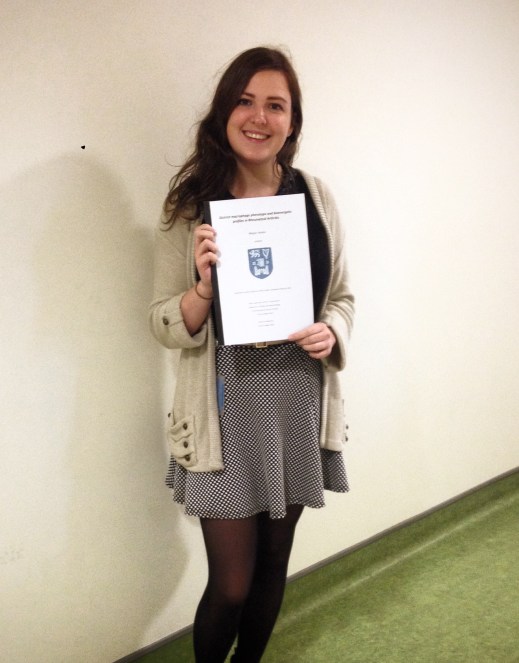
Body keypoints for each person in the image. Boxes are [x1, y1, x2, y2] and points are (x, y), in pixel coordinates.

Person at [149, 46, 354, 663]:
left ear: (292, 121)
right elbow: (162, 322)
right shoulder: (190, 207)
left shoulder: (315, 198)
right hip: (224, 412)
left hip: (295, 402)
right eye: (245, 101)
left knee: (271, 566)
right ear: (224, 113)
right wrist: (202, 291)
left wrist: (331, 332)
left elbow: (342, 297)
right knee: (231, 584)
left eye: (275, 105)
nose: (259, 117)